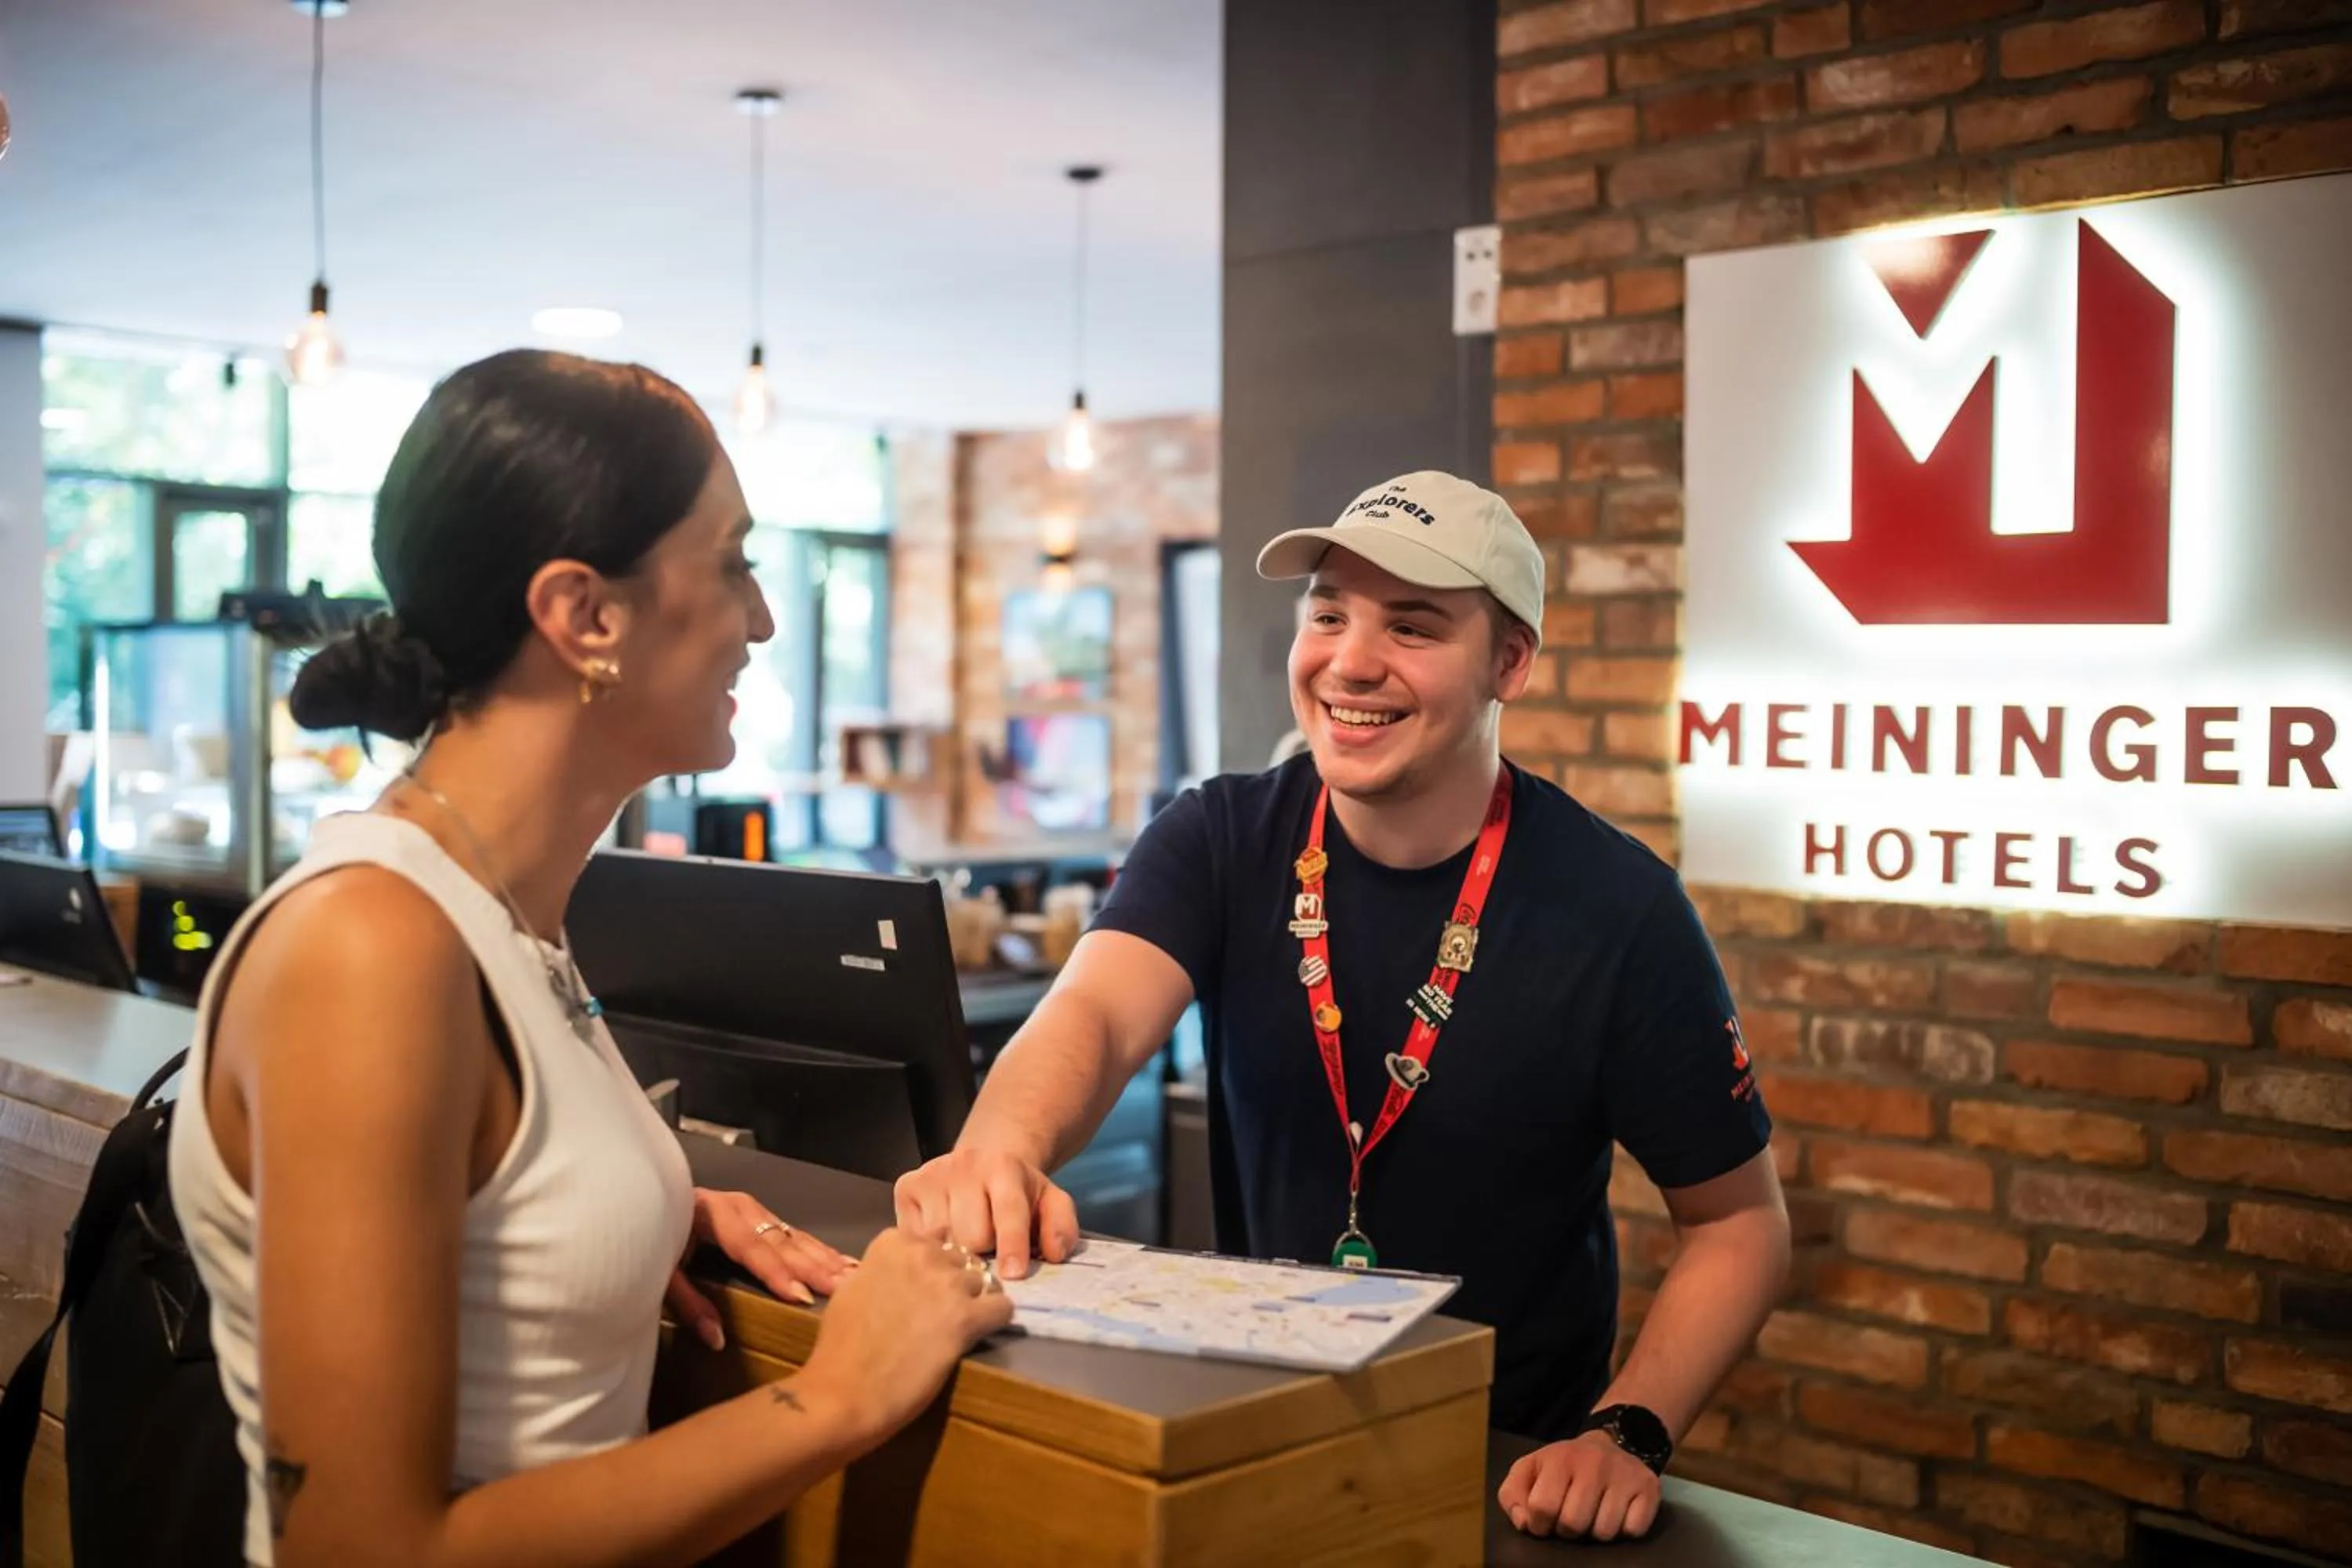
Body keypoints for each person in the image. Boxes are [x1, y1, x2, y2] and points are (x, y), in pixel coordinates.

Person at [168, 350, 1011, 1568]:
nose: (763, 619)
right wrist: (842, 1395)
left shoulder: (506, 915)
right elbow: (358, 1551)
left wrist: (632, 1203)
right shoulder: (372, 951)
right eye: (731, 564)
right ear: (584, 615)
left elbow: (487, 1185)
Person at [895, 470, 1790, 1543]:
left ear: (1510, 662)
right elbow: (1092, 1016)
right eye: (1328, 614)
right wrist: (1001, 1145)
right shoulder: (1221, 836)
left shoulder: (1618, 908)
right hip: (1255, 1440)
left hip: (1504, 1483)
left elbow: (1739, 1224)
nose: (1351, 661)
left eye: (1411, 627)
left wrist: (1625, 1433)